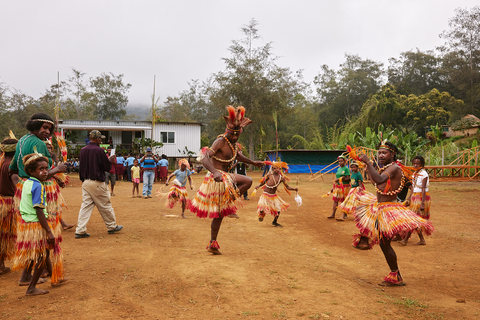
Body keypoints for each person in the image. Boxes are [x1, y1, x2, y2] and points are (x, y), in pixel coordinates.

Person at [349, 141, 434, 286]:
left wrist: (368, 162)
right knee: (384, 243)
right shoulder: (387, 167)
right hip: (380, 206)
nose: (381, 155)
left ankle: (396, 275)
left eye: (384, 153)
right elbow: (377, 183)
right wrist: (367, 167)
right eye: (379, 153)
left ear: (392, 154)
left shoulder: (394, 167)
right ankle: (394, 272)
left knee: (385, 243)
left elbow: (380, 179)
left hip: (388, 208)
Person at [189, 106, 263, 254]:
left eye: (237, 135)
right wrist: (215, 171)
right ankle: (228, 206)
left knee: (220, 214)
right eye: (232, 135)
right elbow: (205, 157)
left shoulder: (233, 144)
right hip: (217, 178)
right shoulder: (221, 141)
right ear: (227, 131)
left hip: (225, 178)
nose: (235, 137)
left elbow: (238, 156)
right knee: (247, 181)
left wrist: (253, 163)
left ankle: (212, 243)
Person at [9, 113, 67, 282]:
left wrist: (19, 188)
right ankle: (51, 273)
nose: (47, 132)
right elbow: (43, 172)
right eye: (44, 127)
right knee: (46, 233)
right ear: (34, 125)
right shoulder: (39, 144)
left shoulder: (21, 141)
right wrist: (57, 170)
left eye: (49, 129)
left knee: (32, 236)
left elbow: (11, 170)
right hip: (42, 190)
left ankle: (28, 275)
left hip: (23, 188)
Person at [13, 152, 68, 295]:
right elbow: (38, 210)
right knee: (42, 255)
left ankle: (55, 278)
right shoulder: (38, 186)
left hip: (27, 224)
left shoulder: (26, 182)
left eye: (46, 168)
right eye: (41, 169)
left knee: (42, 253)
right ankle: (31, 288)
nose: (45, 172)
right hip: (37, 224)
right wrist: (49, 231)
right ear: (31, 171)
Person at [75, 130, 123, 239]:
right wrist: (109, 160)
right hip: (97, 182)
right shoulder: (99, 150)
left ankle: (80, 230)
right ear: (96, 138)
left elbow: (81, 166)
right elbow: (106, 167)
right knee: (105, 205)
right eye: (100, 138)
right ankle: (111, 226)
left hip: (86, 182)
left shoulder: (82, 150)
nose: (101, 140)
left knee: (85, 206)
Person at [254, 161, 298, 227]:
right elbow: (263, 182)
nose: (276, 169)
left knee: (278, 210)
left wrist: (294, 189)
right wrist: (258, 186)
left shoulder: (282, 178)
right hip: (265, 194)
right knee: (262, 207)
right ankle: (261, 215)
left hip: (273, 196)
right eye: (274, 168)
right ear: (272, 169)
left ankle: (274, 222)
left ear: (280, 169)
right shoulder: (269, 175)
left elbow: (287, 187)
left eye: (278, 168)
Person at [399, 155, 431, 246]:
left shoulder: (424, 174)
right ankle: (421, 240)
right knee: (414, 219)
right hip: (415, 197)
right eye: (414, 163)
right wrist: (409, 198)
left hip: (421, 198)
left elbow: (424, 189)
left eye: (418, 163)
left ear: (422, 164)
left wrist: (423, 203)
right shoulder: (414, 174)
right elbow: (413, 188)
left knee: (413, 219)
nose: (416, 165)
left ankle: (405, 240)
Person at [45, 140, 75, 230]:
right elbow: (47, 172)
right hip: (44, 185)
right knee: (49, 206)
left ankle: (63, 224)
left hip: (50, 184)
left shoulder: (49, 159)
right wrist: (58, 178)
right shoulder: (43, 159)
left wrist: (58, 180)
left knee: (54, 205)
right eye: (47, 148)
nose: (49, 149)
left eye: (50, 148)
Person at [0, 137, 19, 276]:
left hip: (1, 202)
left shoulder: (1, 163)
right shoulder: (10, 166)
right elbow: (17, 184)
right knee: (6, 236)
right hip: (8, 204)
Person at [327, 155, 351, 220]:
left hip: (345, 187)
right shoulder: (338, 169)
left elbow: (348, 179)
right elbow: (337, 178)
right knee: (335, 200)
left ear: (344, 161)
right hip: (338, 186)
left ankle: (344, 215)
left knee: (343, 201)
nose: (340, 162)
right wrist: (334, 186)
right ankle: (333, 214)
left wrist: (341, 179)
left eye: (341, 161)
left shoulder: (346, 169)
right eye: (339, 161)